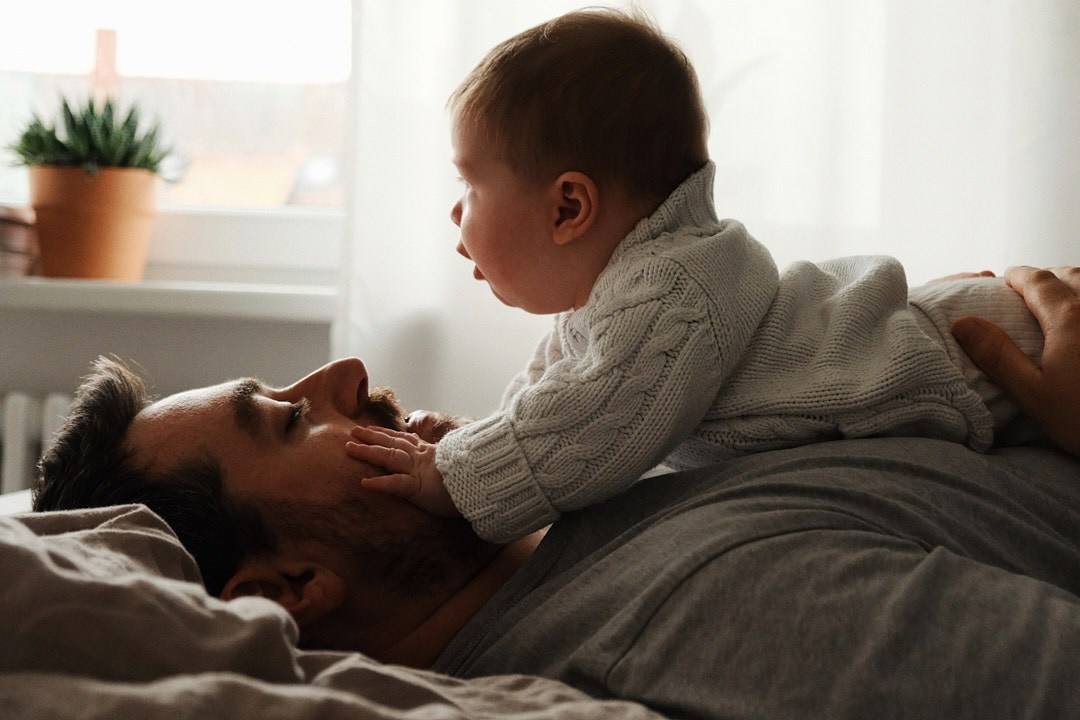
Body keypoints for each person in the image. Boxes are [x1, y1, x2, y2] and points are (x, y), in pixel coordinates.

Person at [30, 265, 1080, 718]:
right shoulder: (697, 621)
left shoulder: (588, 452)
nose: (347, 375)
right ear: (293, 587)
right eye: (291, 419)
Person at [345, 8, 1047, 546]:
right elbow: (555, 402)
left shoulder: (673, 291)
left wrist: (452, 476)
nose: (453, 211)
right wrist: (467, 438)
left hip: (967, 349)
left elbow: (593, 421)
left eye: (469, 185)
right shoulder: (617, 295)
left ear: (568, 206)